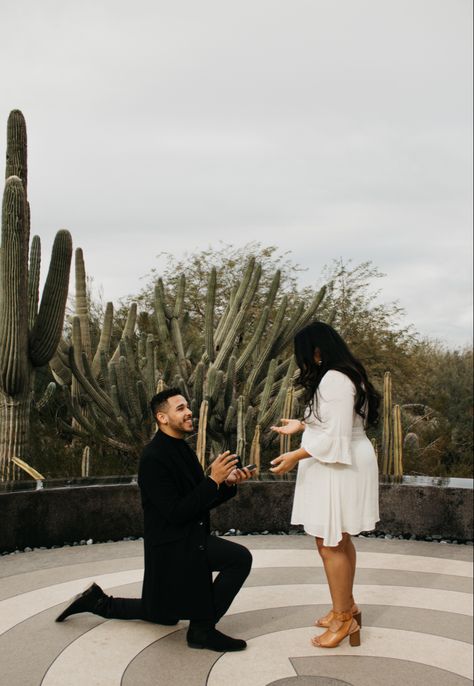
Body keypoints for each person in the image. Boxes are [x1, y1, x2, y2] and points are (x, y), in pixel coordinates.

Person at [56, 387, 253, 652]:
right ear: (162, 418)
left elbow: (198, 500)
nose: (189, 412)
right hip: (173, 546)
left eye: (187, 406)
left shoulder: (181, 449)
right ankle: (202, 630)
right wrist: (212, 480)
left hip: (188, 536)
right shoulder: (153, 457)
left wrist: (225, 484)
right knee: (239, 559)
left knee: (163, 613)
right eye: (180, 408)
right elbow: (176, 512)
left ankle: (98, 602)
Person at [270, 321, 380, 649]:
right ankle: (347, 608)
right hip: (338, 460)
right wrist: (301, 424)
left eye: (304, 354)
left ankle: (343, 619)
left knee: (330, 542)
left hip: (338, 464)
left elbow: (336, 435)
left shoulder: (334, 378)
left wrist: (296, 455)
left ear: (316, 351)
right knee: (336, 539)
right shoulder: (343, 375)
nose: (302, 361)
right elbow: (336, 420)